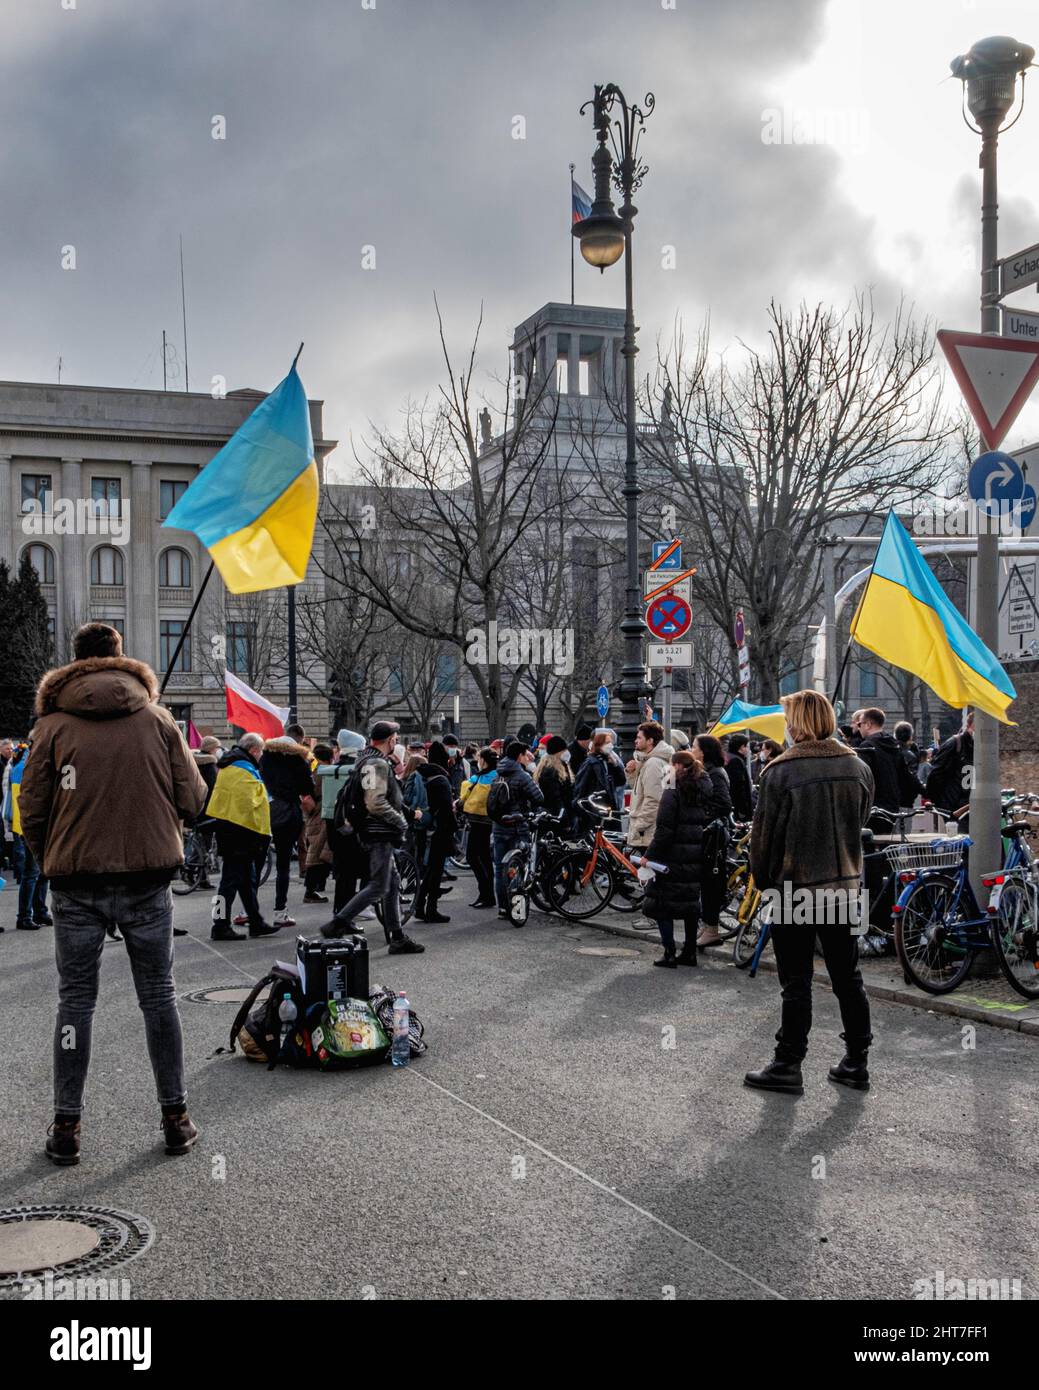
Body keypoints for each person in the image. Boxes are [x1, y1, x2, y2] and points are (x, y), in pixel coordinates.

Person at [18, 621, 209, 1162]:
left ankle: (66, 1126)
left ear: (75, 662)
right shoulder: (158, 719)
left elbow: (30, 809)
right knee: (159, 998)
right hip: (147, 878)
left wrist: (53, 859)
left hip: (75, 882)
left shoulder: (52, 726)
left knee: (75, 1001)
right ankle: (175, 1116)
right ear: (121, 658)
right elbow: (194, 801)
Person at [744, 689, 875, 1096]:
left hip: (795, 887)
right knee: (847, 978)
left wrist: (764, 884)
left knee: (796, 981)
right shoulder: (857, 768)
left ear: (797, 723)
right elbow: (862, 819)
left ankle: (789, 1063)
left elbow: (763, 842)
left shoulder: (780, 772)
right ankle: (856, 1061)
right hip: (846, 887)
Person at [321, 720, 424, 953]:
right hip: (380, 832)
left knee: (393, 882)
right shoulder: (376, 763)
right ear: (389, 740)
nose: (397, 741)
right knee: (379, 885)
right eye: (396, 738)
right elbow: (375, 802)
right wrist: (401, 822)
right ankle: (339, 921)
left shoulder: (365, 760)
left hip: (370, 831)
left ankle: (397, 936)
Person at [641, 747, 716, 968]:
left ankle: (669, 952)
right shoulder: (702, 789)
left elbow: (664, 830)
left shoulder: (672, 791)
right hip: (694, 855)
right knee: (690, 905)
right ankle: (690, 952)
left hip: (670, 857)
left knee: (662, 904)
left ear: (677, 767)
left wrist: (648, 855)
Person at [208, 732, 278, 941]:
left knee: (247, 880)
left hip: (231, 829)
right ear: (254, 750)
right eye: (261, 752)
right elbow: (249, 802)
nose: (261, 756)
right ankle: (219, 924)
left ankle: (256, 922)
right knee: (228, 883)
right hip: (240, 832)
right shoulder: (242, 767)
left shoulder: (230, 764)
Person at [259, 734, 317, 928]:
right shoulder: (296, 760)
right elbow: (308, 787)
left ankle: (247, 910)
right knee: (283, 864)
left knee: (257, 863)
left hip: (264, 809)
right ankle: (280, 911)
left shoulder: (265, 758)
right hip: (288, 812)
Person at [492, 739, 544, 921]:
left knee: (499, 869)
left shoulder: (498, 773)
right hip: (517, 826)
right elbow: (538, 797)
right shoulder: (522, 775)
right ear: (520, 756)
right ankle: (517, 909)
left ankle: (503, 909)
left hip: (499, 825)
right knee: (518, 867)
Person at [691, 734, 733, 948]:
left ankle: (711, 929)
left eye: (694, 746)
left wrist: (701, 816)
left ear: (703, 751)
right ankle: (707, 927)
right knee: (706, 884)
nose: (691, 749)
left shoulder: (715, 773)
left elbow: (723, 804)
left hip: (712, 839)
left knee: (711, 884)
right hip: (708, 836)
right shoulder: (708, 771)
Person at [413, 741, 457, 923]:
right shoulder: (440, 779)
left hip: (427, 826)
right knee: (436, 870)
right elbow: (446, 808)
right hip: (441, 829)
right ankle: (431, 908)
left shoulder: (423, 775)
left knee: (431, 869)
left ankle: (419, 905)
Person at [855, 707, 921, 822]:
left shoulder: (867, 746)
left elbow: (862, 778)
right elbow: (906, 776)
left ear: (868, 724)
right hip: (892, 807)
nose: (858, 727)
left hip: (874, 808)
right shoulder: (894, 745)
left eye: (860, 724)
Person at [626, 721, 674, 856]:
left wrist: (639, 826)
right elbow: (639, 791)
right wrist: (632, 773)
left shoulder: (653, 764)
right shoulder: (661, 760)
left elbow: (654, 800)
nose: (635, 741)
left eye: (639, 738)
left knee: (647, 871)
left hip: (649, 831)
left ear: (650, 741)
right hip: (657, 826)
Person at [459, 747, 498, 908]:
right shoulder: (496, 776)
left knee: (472, 857)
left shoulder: (481, 778)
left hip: (479, 822)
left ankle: (486, 892)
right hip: (487, 821)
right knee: (485, 859)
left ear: (483, 760)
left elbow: (467, 793)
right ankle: (487, 894)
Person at [572, 730, 626, 829]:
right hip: (596, 811)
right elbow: (580, 788)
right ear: (599, 745)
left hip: (609, 810)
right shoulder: (591, 763)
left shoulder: (608, 761)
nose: (610, 745)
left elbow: (621, 781)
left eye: (611, 742)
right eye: (607, 743)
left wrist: (615, 766)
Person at [925, 712, 974, 817]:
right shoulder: (955, 743)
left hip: (967, 804)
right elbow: (936, 772)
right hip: (951, 805)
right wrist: (934, 799)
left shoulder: (977, 747)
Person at [302, 743, 334, 902]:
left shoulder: (314, 770)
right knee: (318, 853)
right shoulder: (325, 772)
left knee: (316, 852)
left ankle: (313, 888)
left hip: (314, 815)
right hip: (321, 815)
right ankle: (311, 890)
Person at [533, 735, 574, 821]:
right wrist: (564, 814)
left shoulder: (561, 765)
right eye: (564, 750)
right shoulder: (551, 770)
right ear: (558, 752)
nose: (567, 752)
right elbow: (555, 797)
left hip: (558, 813)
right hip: (555, 816)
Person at [724, 733, 755, 821]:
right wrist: (743, 810)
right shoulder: (735, 761)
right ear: (742, 747)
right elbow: (738, 787)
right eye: (747, 747)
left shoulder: (729, 757)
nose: (748, 750)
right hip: (739, 809)